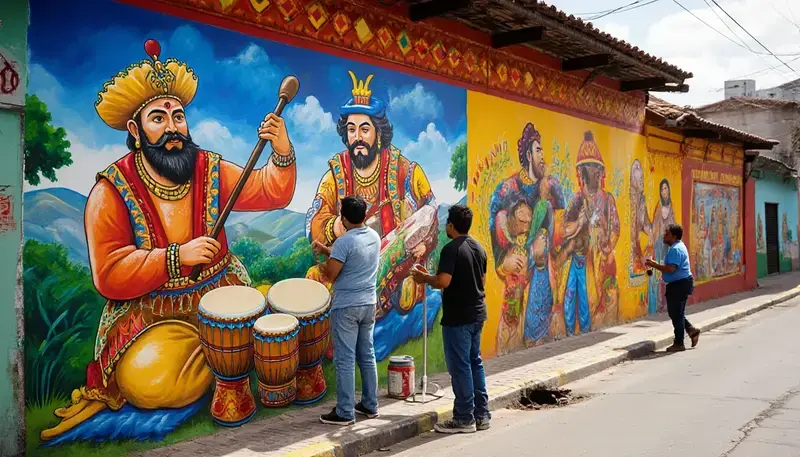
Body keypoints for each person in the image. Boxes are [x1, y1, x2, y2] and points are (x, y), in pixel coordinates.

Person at [40, 39, 297, 442]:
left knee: (274, 323)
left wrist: (281, 151)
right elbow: (108, 274)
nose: (173, 127)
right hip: (153, 316)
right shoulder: (111, 191)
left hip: (221, 293)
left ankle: (230, 354)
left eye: (178, 116)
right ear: (135, 129)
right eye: (158, 118)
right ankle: (230, 359)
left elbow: (269, 191)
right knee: (150, 378)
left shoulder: (208, 167)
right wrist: (175, 257)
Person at [411, 205, 490, 434]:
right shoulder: (478, 247)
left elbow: (443, 281)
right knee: (475, 362)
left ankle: (464, 418)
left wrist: (423, 277)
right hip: (477, 313)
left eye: (447, 223)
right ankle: (481, 415)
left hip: (459, 317)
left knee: (461, 366)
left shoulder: (450, 249)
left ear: (451, 225)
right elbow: (482, 281)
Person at [312, 195, 381, 426]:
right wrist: (326, 249)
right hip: (368, 304)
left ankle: (344, 412)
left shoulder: (344, 242)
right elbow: (352, 255)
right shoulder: (373, 236)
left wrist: (320, 262)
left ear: (343, 218)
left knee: (345, 359)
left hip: (347, 307)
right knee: (367, 355)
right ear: (364, 215)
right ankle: (370, 405)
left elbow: (332, 274)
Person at [645, 224, 701, 352]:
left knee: (676, 313)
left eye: (667, 234)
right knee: (675, 312)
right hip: (679, 283)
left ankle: (679, 343)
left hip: (680, 284)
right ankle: (691, 331)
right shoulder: (677, 247)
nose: (664, 236)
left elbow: (671, 269)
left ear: (674, 236)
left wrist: (654, 265)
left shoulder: (676, 249)